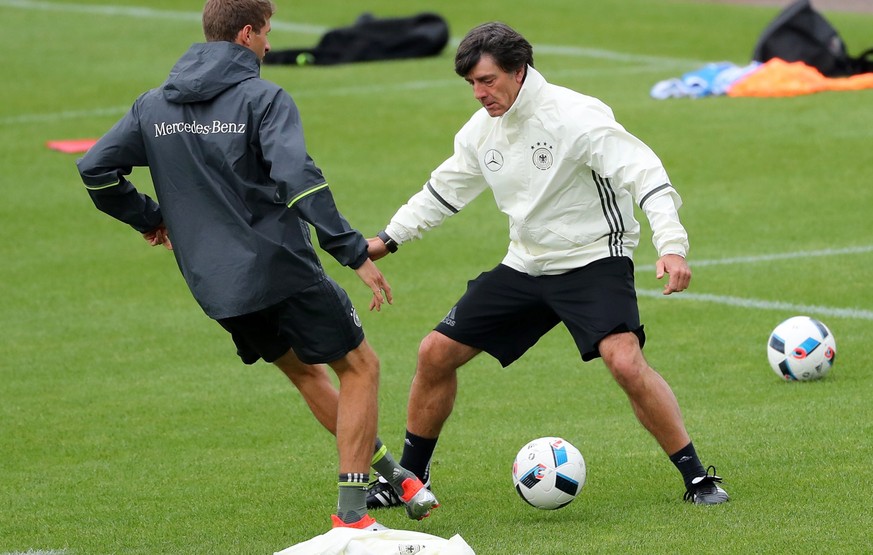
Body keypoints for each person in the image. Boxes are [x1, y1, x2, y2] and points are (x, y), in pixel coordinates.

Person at [76, 0, 437, 531]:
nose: (270, 45)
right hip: (280, 268)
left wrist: (151, 218)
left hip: (215, 285)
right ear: (247, 33)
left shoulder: (152, 105)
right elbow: (298, 179)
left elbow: (95, 170)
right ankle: (353, 518)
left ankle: (395, 475)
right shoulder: (263, 98)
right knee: (361, 368)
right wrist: (352, 251)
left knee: (305, 372)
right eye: (267, 33)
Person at [366, 21, 729, 507]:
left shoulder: (575, 116)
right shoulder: (481, 131)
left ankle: (697, 478)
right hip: (526, 264)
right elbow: (444, 190)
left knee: (624, 360)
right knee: (434, 353)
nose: (478, 94)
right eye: (471, 84)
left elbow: (646, 174)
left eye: (487, 81)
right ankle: (408, 479)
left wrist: (672, 246)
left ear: (519, 71)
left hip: (593, 259)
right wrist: (389, 240)